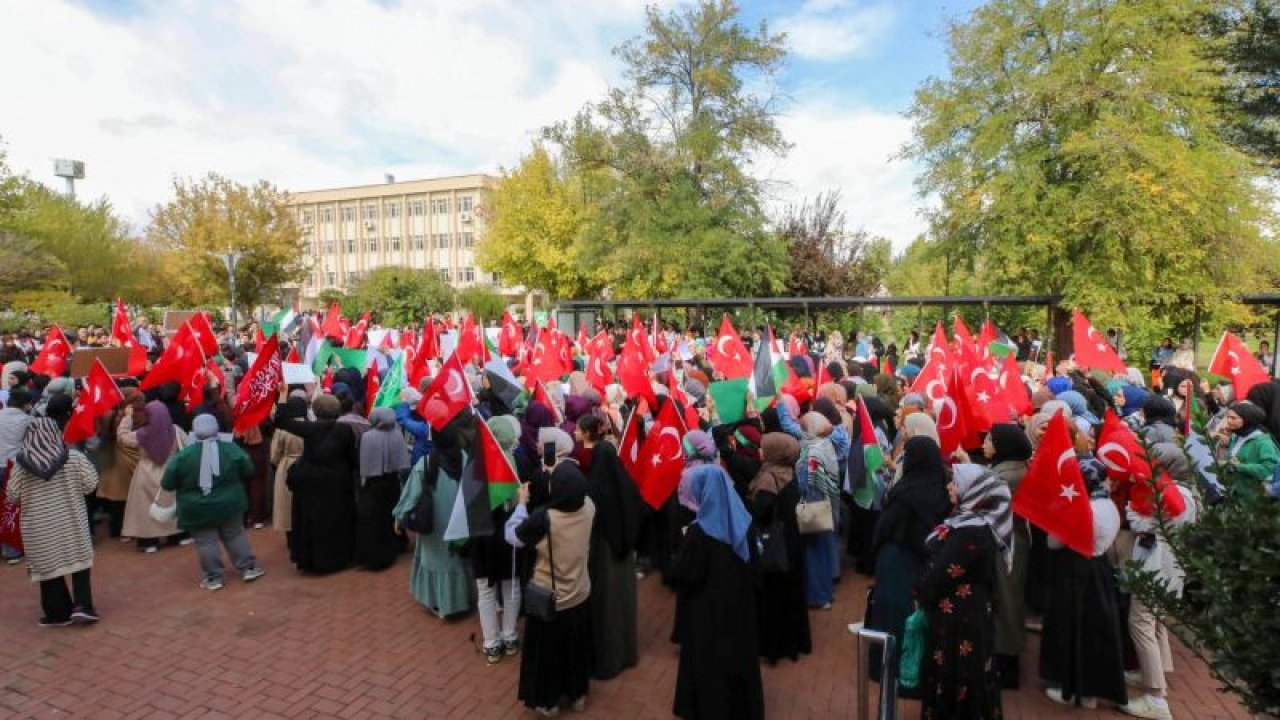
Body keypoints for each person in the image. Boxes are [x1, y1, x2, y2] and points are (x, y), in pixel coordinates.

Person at [505, 427, 596, 717]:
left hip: (550, 598)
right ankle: (578, 694)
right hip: (580, 592)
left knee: (548, 654)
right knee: (576, 650)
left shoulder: (545, 518)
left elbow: (514, 537)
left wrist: (521, 505)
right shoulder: (589, 508)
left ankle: (549, 701)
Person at [668, 463, 763, 720]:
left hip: (707, 614)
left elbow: (683, 573)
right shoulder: (742, 520)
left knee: (709, 666)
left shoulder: (700, 532)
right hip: (740, 610)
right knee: (738, 661)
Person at [917, 463, 1009, 720]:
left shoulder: (973, 531)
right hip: (957, 612)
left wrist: (923, 590)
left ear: (974, 490)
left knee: (959, 671)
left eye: (954, 482)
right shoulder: (965, 520)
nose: (949, 487)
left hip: (961, 616)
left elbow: (944, 572)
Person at [1040, 459, 1127, 709]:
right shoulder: (1108, 504)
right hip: (1099, 569)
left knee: (1073, 629)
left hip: (1074, 571)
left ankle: (1074, 689)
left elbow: (1053, 542)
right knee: (1095, 633)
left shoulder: (1081, 509)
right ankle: (1090, 689)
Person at [867, 436, 951, 682]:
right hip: (926, 561)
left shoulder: (905, 492)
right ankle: (913, 670)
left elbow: (884, 527)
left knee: (891, 615)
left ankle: (887, 669)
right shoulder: (941, 488)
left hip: (896, 560)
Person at [5, 417, 100, 626]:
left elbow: (12, 495)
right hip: (71, 519)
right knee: (79, 561)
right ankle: (83, 606)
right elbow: (91, 484)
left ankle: (58, 614)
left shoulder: (22, 465)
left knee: (48, 568)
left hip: (39, 526)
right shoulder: (74, 458)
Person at [160, 414, 266, 590]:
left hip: (196, 507)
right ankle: (248, 568)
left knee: (205, 542)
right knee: (235, 535)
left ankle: (214, 577)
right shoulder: (230, 449)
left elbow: (167, 483)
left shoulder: (183, 456)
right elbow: (248, 469)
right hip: (230, 503)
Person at [579, 413, 643, 680]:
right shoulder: (621, 483)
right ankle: (625, 654)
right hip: (623, 549)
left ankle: (606, 660)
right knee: (622, 605)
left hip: (603, 550)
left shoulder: (597, 488)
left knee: (605, 606)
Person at [391, 412, 472, 617]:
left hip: (433, 522)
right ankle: (461, 600)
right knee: (459, 561)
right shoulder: (466, 461)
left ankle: (439, 603)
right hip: (460, 523)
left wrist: (400, 517)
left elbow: (410, 495)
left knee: (436, 560)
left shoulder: (426, 463)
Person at [275, 393, 359, 574]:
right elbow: (352, 458)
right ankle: (338, 558)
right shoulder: (345, 430)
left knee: (313, 521)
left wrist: (282, 397)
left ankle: (315, 561)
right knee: (338, 521)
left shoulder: (310, 428)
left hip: (313, 483)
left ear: (316, 410)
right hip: (338, 481)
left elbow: (281, 420)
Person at [748, 432, 811, 664]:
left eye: (764, 447)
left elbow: (760, 512)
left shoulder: (768, 478)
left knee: (772, 597)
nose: (760, 451)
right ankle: (792, 643)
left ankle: (773, 647)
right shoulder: (789, 472)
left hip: (774, 545)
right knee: (790, 594)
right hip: (791, 541)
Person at [984, 423, 1034, 689]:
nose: (985, 444)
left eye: (990, 440)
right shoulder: (1011, 469)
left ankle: (1007, 663)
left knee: (1007, 600)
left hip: (1009, 544)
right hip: (1009, 540)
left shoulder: (1008, 475)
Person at [473, 415, 524, 665]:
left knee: (485, 588)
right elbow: (517, 502)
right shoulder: (513, 461)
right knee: (511, 584)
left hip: (482, 532)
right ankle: (510, 636)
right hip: (508, 532)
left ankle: (491, 643)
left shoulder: (475, 462)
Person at [119, 400, 187, 552]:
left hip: (146, 473)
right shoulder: (176, 430)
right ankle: (178, 535)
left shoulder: (142, 434)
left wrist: (127, 417)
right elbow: (188, 445)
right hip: (171, 472)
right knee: (172, 504)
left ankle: (149, 542)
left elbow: (122, 437)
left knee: (145, 509)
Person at [354, 407, 410, 571]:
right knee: (390, 515)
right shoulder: (397, 435)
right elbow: (403, 464)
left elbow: (364, 462)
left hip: (373, 483)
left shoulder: (368, 437)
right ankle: (395, 544)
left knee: (373, 519)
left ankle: (375, 553)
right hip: (392, 482)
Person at [269, 392, 307, 543]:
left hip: (286, 466)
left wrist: (280, 464)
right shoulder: (309, 424)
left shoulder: (283, 429)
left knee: (286, 506)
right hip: (306, 464)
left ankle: (292, 541)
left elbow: (274, 455)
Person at [1219, 401, 1280, 492]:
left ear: (1247, 420)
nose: (1228, 421)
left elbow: (1269, 469)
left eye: (1233, 418)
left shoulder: (1263, 442)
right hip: (1234, 491)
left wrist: (1240, 466)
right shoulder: (1237, 436)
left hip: (1253, 498)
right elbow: (1232, 461)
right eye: (1228, 417)